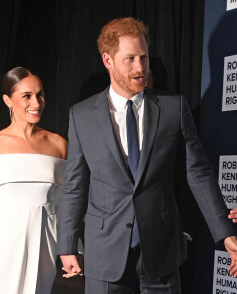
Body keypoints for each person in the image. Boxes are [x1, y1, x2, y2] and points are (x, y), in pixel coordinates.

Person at [56, 18, 237, 293]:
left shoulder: (173, 108)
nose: (140, 67)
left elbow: (198, 173)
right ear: (108, 60)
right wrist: (66, 245)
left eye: (144, 57)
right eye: (129, 59)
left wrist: (225, 232)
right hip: (105, 255)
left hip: (161, 254)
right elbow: (74, 187)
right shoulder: (81, 116)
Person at [0, 67, 67, 294]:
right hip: (1, 245)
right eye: (26, 96)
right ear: (8, 100)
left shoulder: (58, 144)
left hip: (44, 244)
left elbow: (63, 205)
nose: (36, 103)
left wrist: (73, 249)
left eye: (40, 94)